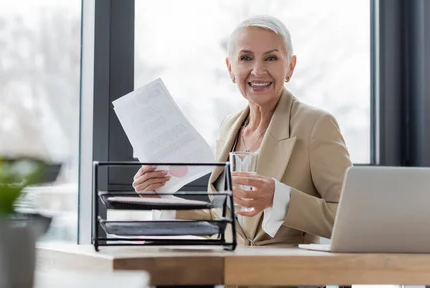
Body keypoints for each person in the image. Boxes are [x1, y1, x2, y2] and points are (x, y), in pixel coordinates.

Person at [132, 15, 353, 246]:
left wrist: (279, 199)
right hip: (230, 275)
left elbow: (351, 217)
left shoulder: (316, 124)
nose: (258, 71)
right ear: (230, 68)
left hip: (289, 276)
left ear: (290, 67)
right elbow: (220, 219)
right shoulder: (229, 127)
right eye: (246, 58)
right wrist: (159, 199)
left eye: (271, 58)